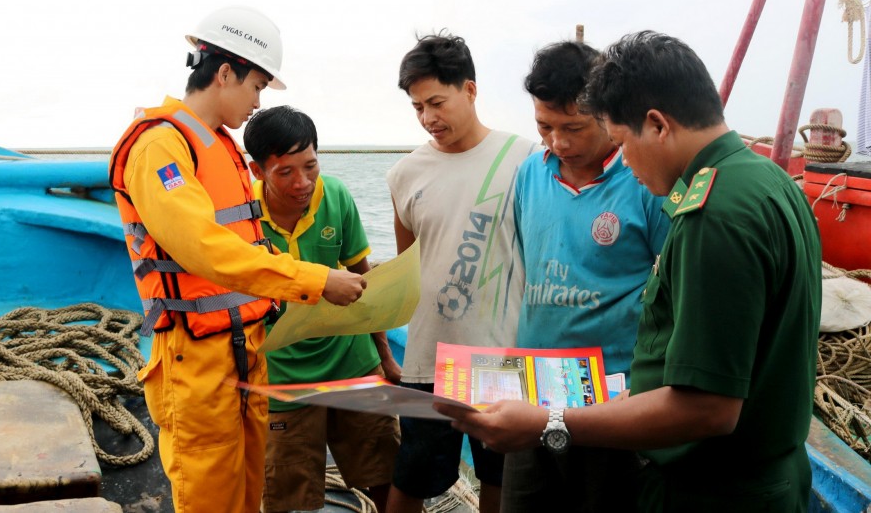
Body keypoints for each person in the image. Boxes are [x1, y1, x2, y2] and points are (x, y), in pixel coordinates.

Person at [436, 31, 822, 513]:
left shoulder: (713, 212)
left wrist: (550, 422)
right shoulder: (767, 181)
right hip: (762, 470)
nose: (628, 167)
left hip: (717, 487)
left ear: (657, 125)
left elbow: (708, 407)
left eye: (620, 141)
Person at [108, 6, 367, 513]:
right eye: (257, 86)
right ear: (224, 73)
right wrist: (314, 279)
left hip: (247, 352)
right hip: (196, 364)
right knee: (209, 496)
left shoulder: (221, 147)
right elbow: (202, 247)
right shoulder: (160, 146)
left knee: (250, 496)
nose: (257, 102)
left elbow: (249, 247)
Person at [503, 40, 669, 512]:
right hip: (532, 392)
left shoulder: (642, 182)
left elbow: (673, 288)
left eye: (572, 127)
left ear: (606, 114)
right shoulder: (529, 175)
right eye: (544, 127)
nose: (558, 142)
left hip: (612, 400)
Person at [385, 32, 537, 513]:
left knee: (500, 478)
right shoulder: (405, 174)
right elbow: (408, 270)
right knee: (410, 477)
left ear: (470, 90)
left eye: (436, 102)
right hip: (430, 355)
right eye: (416, 107)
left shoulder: (524, 158)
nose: (428, 118)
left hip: (501, 356)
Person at [242, 105, 401, 513]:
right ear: (257, 172)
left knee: (385, 471)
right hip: (282, 377)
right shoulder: (242, 217)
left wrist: (384, 359)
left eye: (310, 166)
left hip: (352, 361)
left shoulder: (336, 196)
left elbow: (364, 284)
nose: (303, 183)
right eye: (286, 172)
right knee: (287, 491)